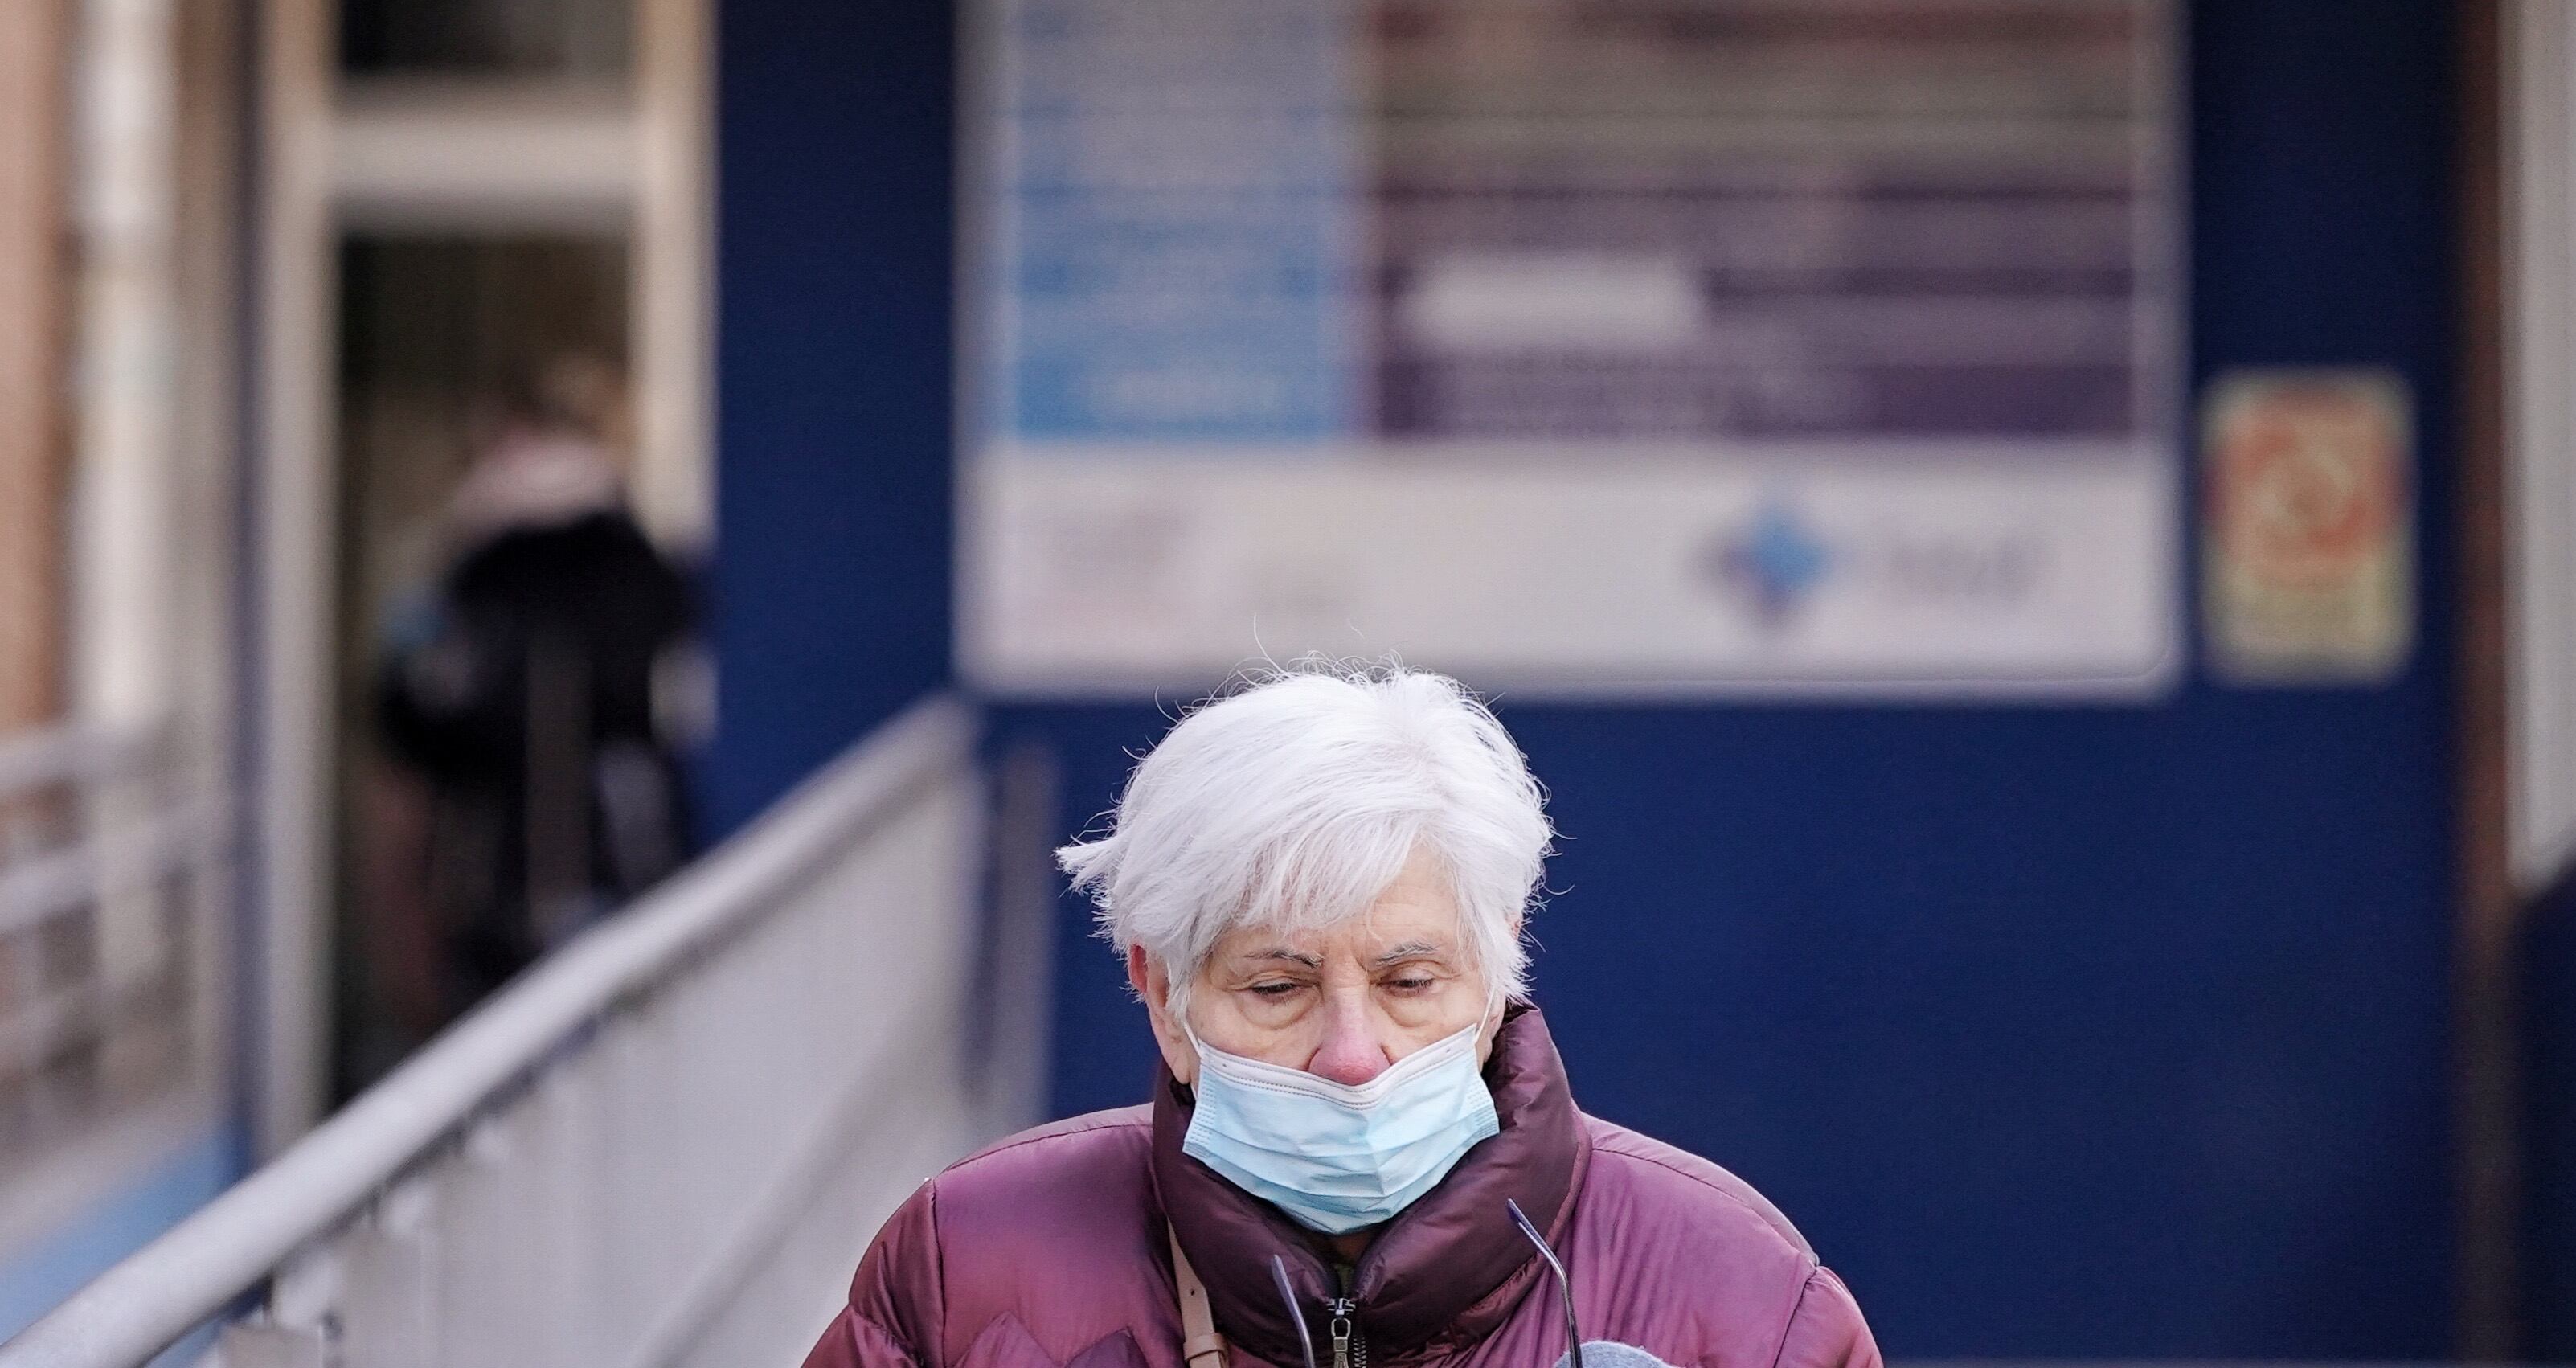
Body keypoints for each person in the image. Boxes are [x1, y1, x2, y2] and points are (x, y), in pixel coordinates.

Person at [803, 665, 1878, 1368]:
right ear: (1161, 997)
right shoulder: (965, 1271)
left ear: (1498, 968)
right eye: (1277, 988)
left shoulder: (1741, 1300)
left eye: (1411, 983)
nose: (1355, 1056)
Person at [372, 360, 706, 1029]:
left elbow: (648, 650)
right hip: (492, 891)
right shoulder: (471, 571)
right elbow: (413, 720)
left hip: (603, 873)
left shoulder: (616, 563)